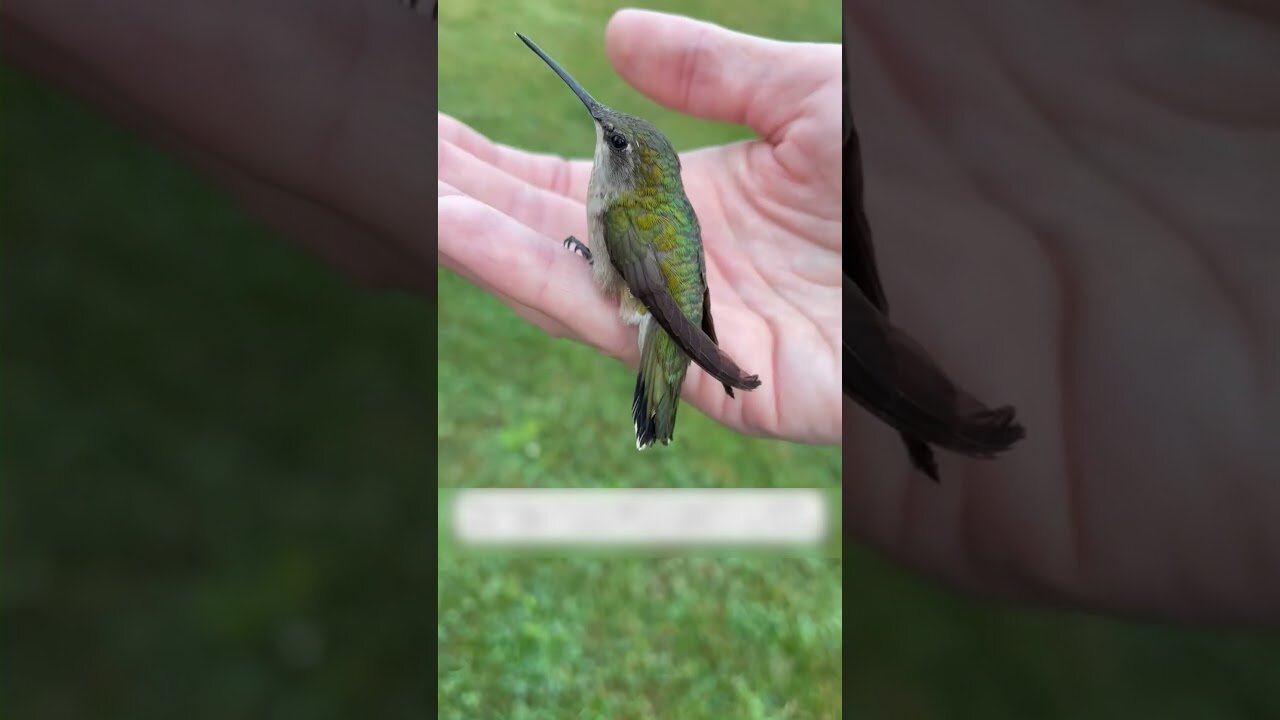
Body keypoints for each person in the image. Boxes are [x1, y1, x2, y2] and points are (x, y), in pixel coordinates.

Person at [6, 2, 1277, 624]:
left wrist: (692, 343)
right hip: (694, 297)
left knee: (655, 341)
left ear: (634, 173)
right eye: (606, 141)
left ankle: (667, 397)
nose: (595, 141)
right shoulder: (650, 206)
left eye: (607, 138)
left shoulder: (629, 217)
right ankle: (679, 389)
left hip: (678, 307)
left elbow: (651, 285)